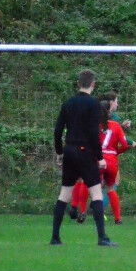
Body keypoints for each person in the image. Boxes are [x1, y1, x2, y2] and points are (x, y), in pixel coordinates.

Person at [51, 69, 117, 247]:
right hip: (85, 152)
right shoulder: (94, 104)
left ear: (78, 83)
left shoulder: (68, 103)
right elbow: (93, 133)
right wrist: (99, 157)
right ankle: (102, 238)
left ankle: (55, 238)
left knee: (64, 193)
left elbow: (57, 131)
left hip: (70, 151)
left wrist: (60, 152)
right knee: (96, 193)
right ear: (93, 85)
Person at [68, 90, 136, 223]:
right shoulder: (115, 123)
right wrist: (117, 152)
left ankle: (80, 210)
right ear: (110, 107)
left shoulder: (92, 123)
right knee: (110, 187)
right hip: (110, 160)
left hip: (95, 157)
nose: (117, 104)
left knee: (86, 182)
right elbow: (123, 143)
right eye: (116, 101)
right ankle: (117, 218)